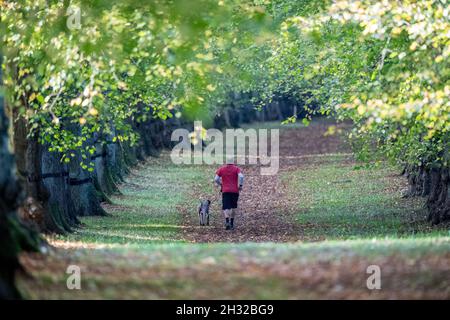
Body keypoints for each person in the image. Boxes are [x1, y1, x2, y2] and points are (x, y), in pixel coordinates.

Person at [214, 156, 244, 230]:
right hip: (235, 191)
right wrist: (240, 185)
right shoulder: (236, 169)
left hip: (225, 190)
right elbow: (241, 177)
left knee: (226, 206)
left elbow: (216, 179)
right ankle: (232, 223)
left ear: (226, 162)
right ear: (233, 161)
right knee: (233, 206)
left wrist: (220, 184)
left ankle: (227, 221)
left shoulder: (222, 169)